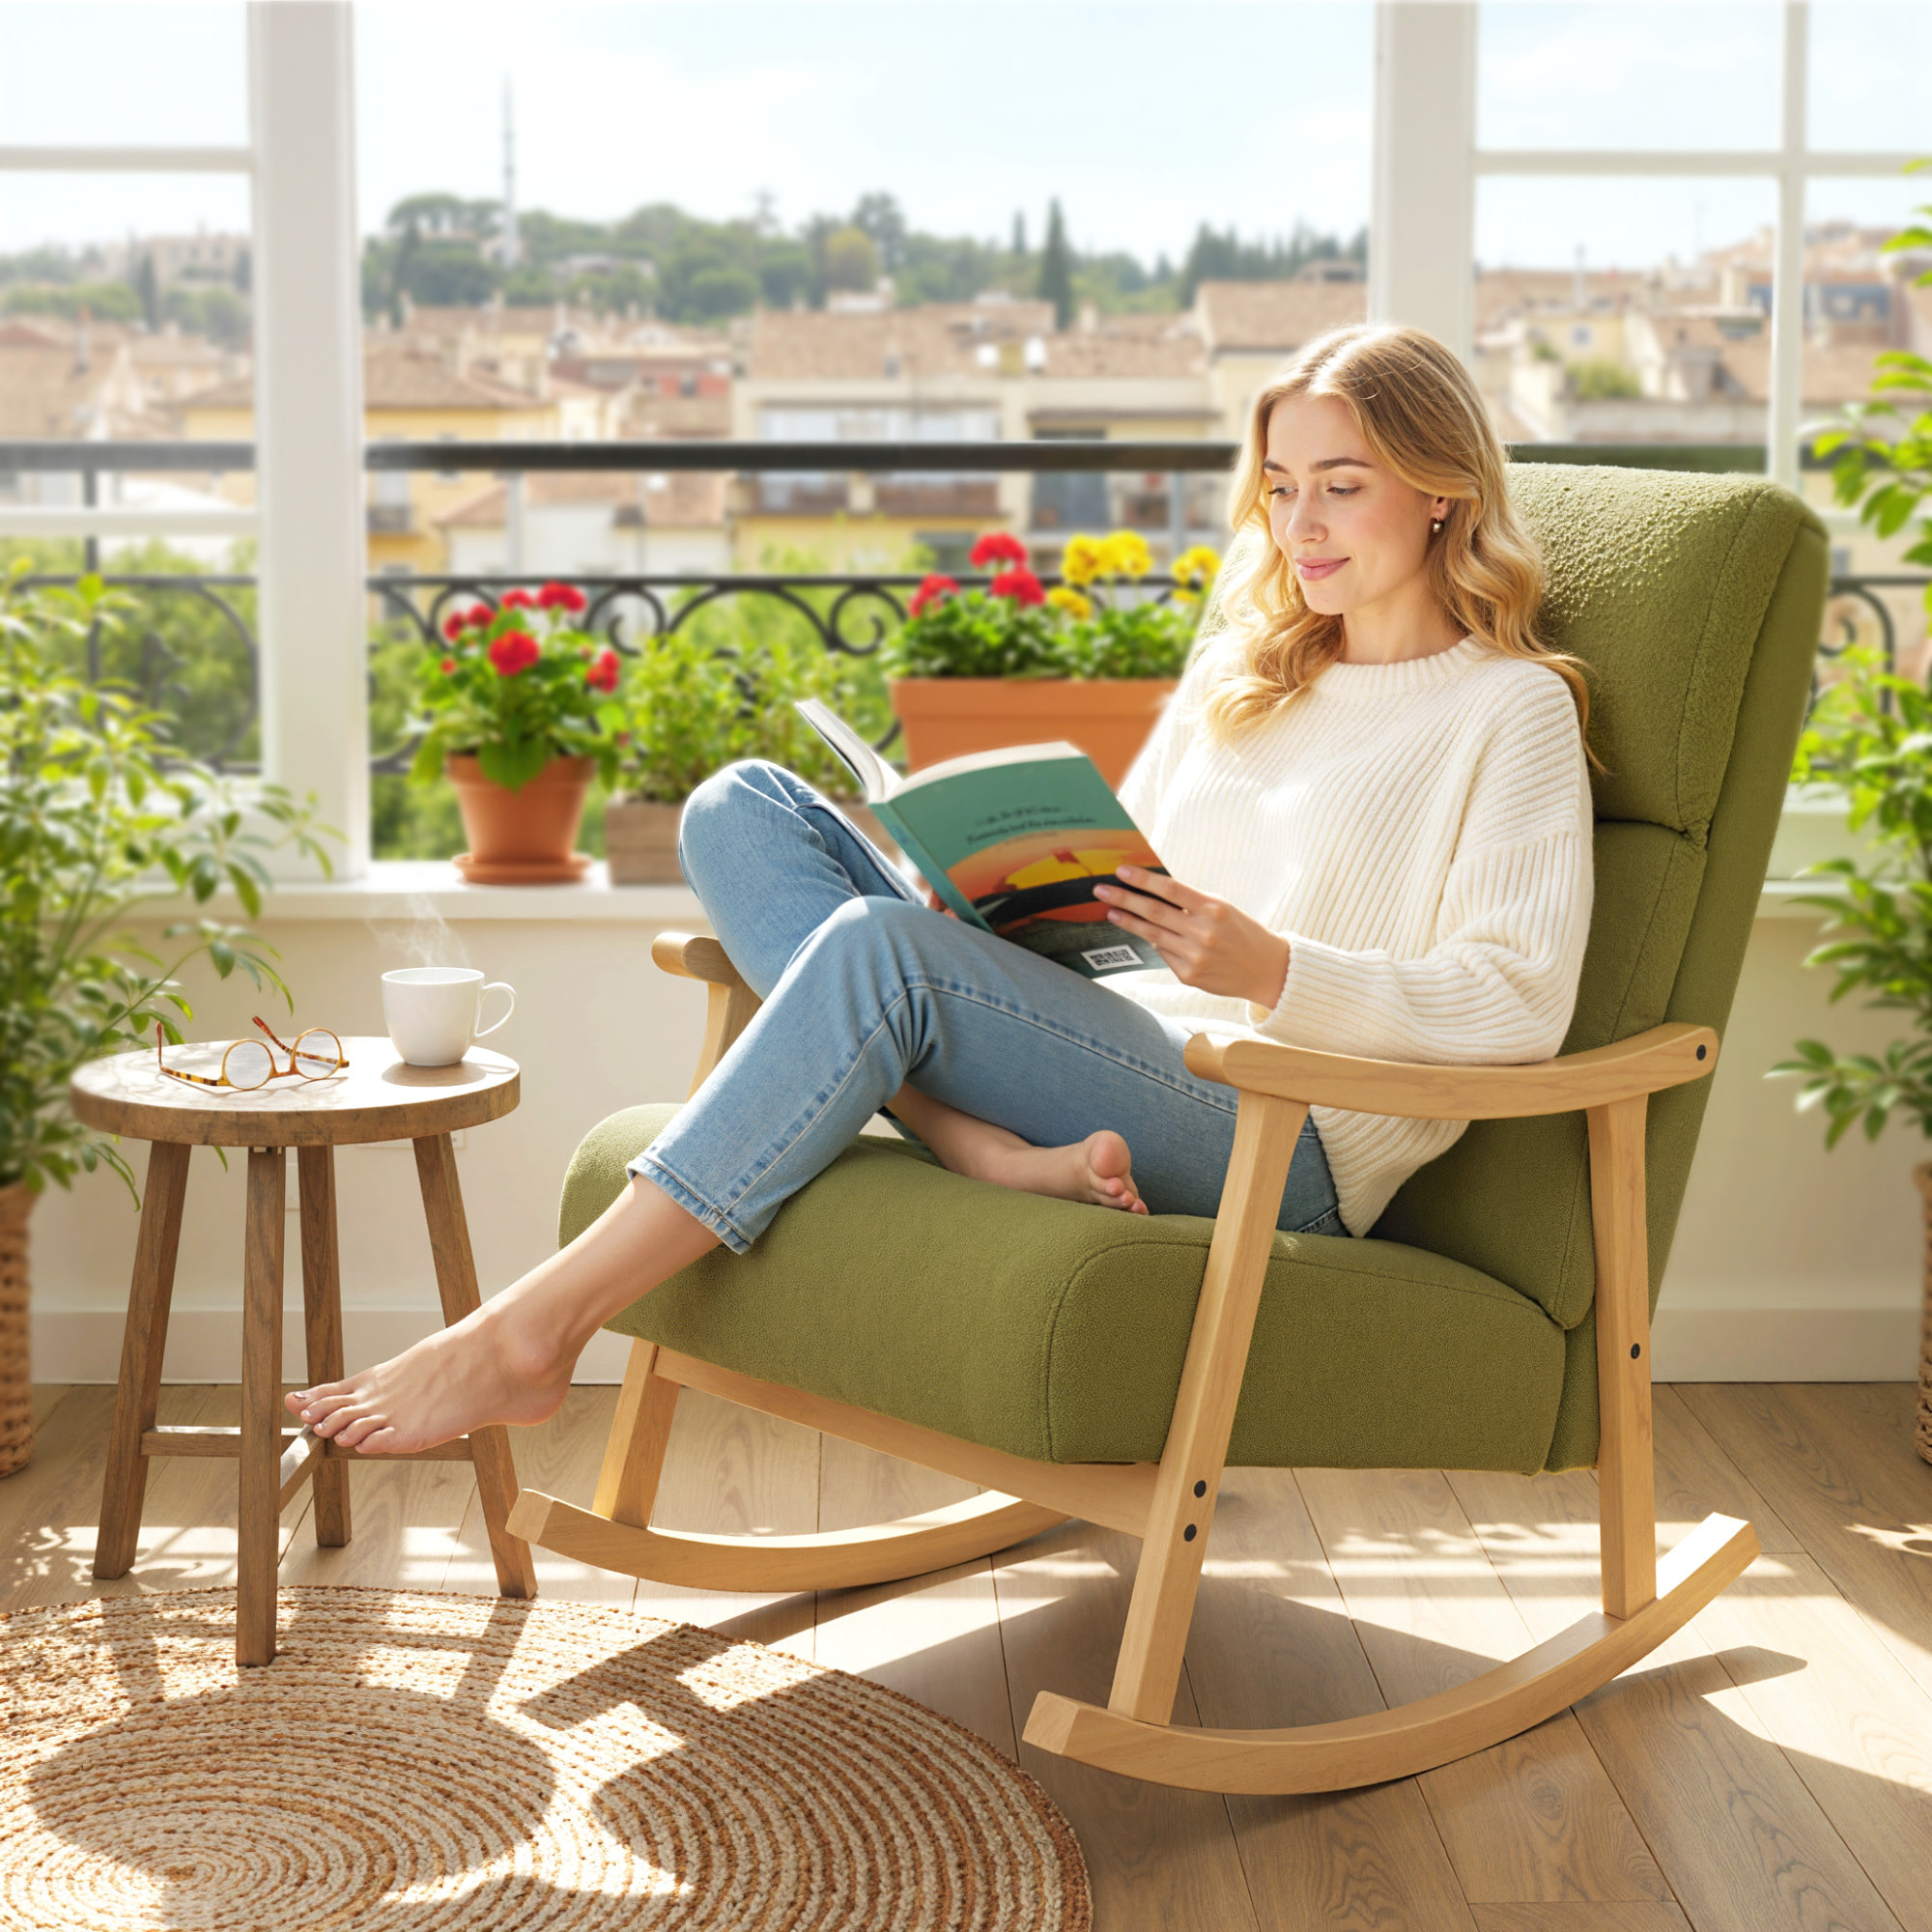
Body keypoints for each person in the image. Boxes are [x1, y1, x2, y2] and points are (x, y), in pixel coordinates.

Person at [291, 323, 1594, 1456]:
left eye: (1342, 488)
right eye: (1282, 488)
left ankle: (529, 1334)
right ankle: (984, 1148)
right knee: (740, 809)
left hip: (1285, 1133)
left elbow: (1516, 1003)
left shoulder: (1508, 710)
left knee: (878, 956)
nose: (1299, 527)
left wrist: (1273, 972)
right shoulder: (1246, 679)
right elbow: (1122, 888)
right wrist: (980, 895)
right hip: (1127, 1039)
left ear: (1439, 492)